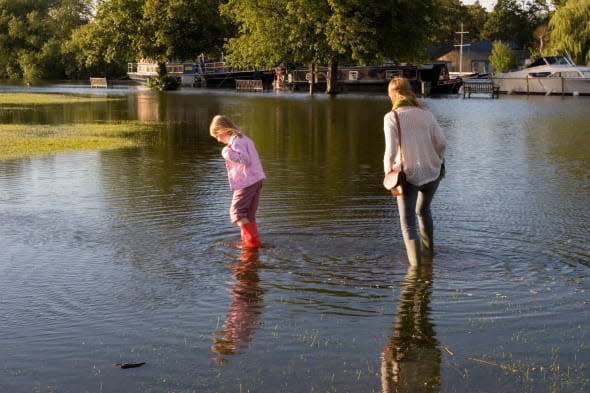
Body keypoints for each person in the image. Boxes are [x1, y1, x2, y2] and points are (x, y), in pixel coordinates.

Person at [383, 78, 446, 265]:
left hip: (406, 176)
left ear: (393, 95)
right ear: (409, 91)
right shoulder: (427, 114)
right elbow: (442, 143)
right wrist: (437, 160)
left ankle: (416, 267)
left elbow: (390, 153)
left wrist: (388, 176)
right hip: (432, 172)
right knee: (424, 210)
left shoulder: (391, 117)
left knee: (408, 221)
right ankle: (429, 254)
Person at [210, 114, 265, 248]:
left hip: (247, 181)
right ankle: (250, 244)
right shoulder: (244, 139)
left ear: (223, 130)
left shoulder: (236, 141)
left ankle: (252, 242)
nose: (218, 140)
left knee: (236, 213)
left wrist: (226, 153)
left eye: (217, 135)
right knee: (248, 215)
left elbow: (245, 159)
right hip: (256, 179)